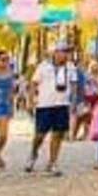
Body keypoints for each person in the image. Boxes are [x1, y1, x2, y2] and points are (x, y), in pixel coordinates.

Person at [27, 43, 75, 175]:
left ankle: (52, 162)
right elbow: (33, 83)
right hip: (45, 104)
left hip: (62, 104)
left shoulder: (71, 67)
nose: (65, 55)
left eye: (67, 52)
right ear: (56, 53)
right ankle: (33, 154)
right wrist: (30, 101)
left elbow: (74, 85)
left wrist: (74, 102)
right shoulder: (43, 66)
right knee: (40, 134)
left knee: (58, 134)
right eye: (63, 52)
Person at [69, 54, 96, 141]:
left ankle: (71, 135)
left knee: (74, 115)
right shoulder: (82, 71)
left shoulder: (76, 71)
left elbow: (77, 86)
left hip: (75, 97)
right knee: (78, 116)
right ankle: (73, 134)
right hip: (80, 97)